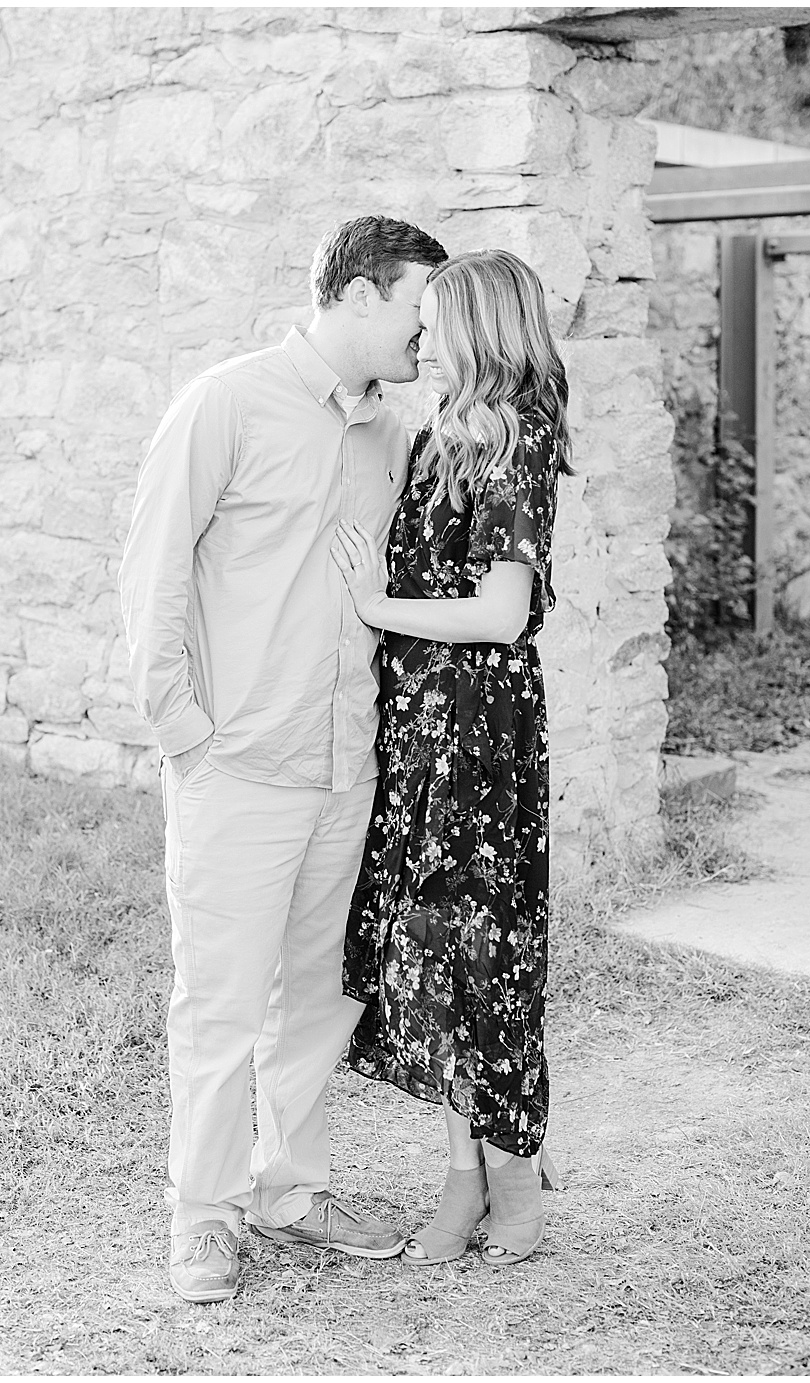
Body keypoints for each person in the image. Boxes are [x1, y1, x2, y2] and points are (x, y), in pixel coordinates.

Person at [118, 215, 449, 1304]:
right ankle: (201, 1219)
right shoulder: (225, 402)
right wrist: (185, 735)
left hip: (342, 765)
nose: (426, 333)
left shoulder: (389, 432)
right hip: (236, 764)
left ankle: (291, 1194)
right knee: (218, 1004)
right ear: (358, 296)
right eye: (416, 307)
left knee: (314, 998)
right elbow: (154, 572)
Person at [332, 248, 571, 1267]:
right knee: (428, 958)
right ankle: (461, 1178)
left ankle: (512, 1177)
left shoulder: (516, 434)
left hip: (477, 730)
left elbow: (505, 613)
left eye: (435, 325)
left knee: (481, 958)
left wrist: (376, 607)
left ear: (479, 330)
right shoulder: (441, 435)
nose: (420, 341)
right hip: (419, 720)